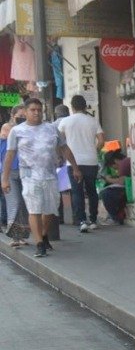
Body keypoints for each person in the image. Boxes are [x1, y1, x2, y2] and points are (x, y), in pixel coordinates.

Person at [2, 99, 81, 258]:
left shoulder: (51, 129)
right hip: (29, 177)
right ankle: (39, 244)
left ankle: (44, 234)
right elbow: (9, 155)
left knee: (50, 209)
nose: (36, 113)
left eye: (39, 110)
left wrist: (75, 167)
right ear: (26, 112)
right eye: (33, 110)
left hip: (50, 176)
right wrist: (5, 178)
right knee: (34, 209)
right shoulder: (17, 131)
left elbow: (64, 148)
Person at [60, 95, 105, 233]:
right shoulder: (93, 121)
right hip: (91, 161)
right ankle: (93, 219)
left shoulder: (65, 121)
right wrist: (94, 150)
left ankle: (81, 221)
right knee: (92, 191)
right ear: (85, 106)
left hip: (73, 162)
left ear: (72, 107)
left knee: (77, 191)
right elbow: (101, 141)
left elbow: (60, 142)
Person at [2, 106, 30, 247]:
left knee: (24, 204)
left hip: (25, 171)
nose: (22, 118)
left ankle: (22, 236)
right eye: (20, 115)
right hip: (10, 172)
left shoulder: (29, 129)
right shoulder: (8, 128)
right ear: (13, 115)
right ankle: (14, 236)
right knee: (15, 202)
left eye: (25, 115)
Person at [98, 143, 128, 226]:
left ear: (114, 161)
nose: (113, 168)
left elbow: (122, 181)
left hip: (126, 190)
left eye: (112, 166)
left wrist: (109, 179)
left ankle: (114, 218)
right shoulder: (124, 163)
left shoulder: (123, 164)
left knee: (106, 194)